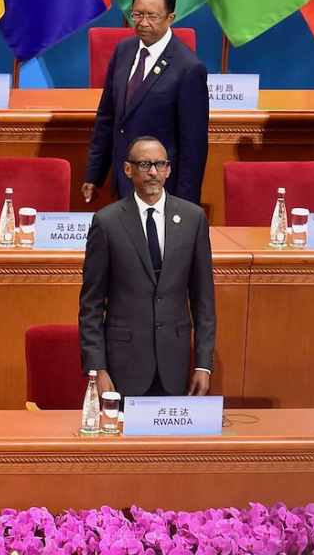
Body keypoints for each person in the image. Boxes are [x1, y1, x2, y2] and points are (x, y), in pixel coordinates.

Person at [79, 137, 216, 398]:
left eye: (159, 164)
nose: (153, 172)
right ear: (128, 170)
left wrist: (203, 364)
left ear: (168, 169)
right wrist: (97, 368)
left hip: (174, 364)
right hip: (122, 365)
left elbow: (204, 300)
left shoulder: (193, 218)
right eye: (144, 164)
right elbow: (91, 304)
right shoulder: (107, 223)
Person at [83, 0, 208, 204]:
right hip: (124, 180)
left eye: (152, 16)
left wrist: (184, 204)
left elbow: (193, 145)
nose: (143, 23)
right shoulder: (124, 50)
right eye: (137, 15)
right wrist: (94, 174)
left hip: (161, 188)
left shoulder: (188, 67)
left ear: (170, 18)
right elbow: (107, 116)